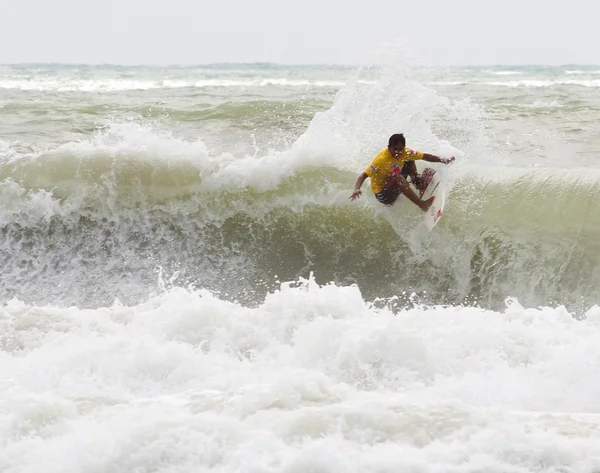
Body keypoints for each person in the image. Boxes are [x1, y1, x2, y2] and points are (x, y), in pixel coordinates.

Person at [349, 133, 455, 212]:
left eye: (400, 149)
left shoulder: (405, 152)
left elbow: (425, 156)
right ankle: (422, 205)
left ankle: (417, 182)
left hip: (393, 184)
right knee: (397, 177)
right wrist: (357, 188)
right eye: (395, 149)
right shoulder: (381, 160)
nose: (398, 152)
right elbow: (363, 175)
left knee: (409, 159)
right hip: (383, 194)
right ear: (389, 147)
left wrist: (443, 160)